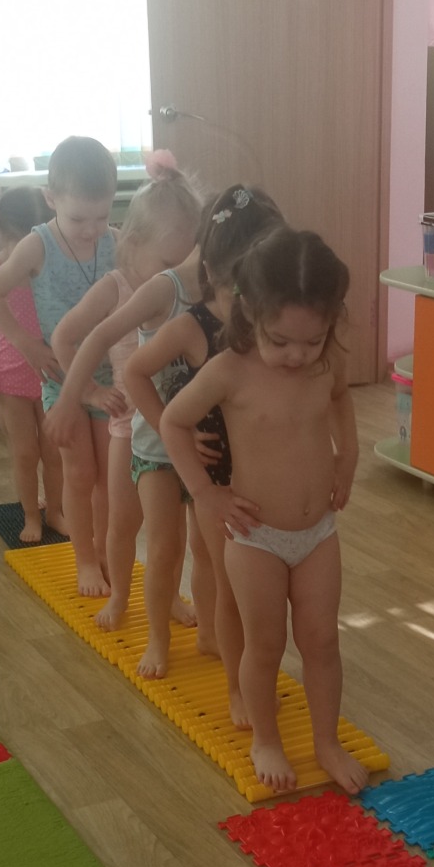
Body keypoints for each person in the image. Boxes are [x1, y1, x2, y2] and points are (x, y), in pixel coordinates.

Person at [161, 224, 363, 795]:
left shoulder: (326, 362)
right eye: (281, 341)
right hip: (256, 537)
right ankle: (265, 739)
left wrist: (347, 454)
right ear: (249, 312)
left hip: (318, 532)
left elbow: (341, 397)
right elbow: (174, 422)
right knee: (265, 645)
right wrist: (205, 492)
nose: (297, 355)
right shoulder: (229, 370)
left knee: (322, 641)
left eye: (312, 340)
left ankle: (326, 741)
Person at [126, 185, 284, 697]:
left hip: (244, 476)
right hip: (191, 470)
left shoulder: (267, 321)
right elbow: (134, 373)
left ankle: (217, 641)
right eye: (244, 287)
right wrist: (173, 429)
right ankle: (200, 664)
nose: (254, 299)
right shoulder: (190, 326)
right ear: (213, 273)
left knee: (231, 576)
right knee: (193, 564)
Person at [46, 157, 200, 614]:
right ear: (132, 244)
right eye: (169, 262)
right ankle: (118, 595)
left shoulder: (185, 288)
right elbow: (65, 337)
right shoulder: (116, 287)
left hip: (174, 428)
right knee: (122, 520)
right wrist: (85, 395)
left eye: (188, 261)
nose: (178, 272)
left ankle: (169, 597)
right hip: (128, 428)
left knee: (172, 529)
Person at [0, 137, 117, 572]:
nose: (91, 230)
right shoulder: (38, 244)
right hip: (62, 380)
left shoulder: (116, 242)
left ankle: (104, 552)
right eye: (78, 218)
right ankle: (85, 560)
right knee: (79, 474)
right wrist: (27, 345)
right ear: (51, 199)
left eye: (102, 216)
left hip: (110, 382)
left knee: (109, 480)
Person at [0, 186, 60, 541]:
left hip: (51, 374)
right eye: (22, 241)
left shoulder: (49, 267)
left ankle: (56, 510)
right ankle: (31, 515)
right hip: (11, 377)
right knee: (24, 452)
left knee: (54, 451)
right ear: (0, 231)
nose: (30, 250)